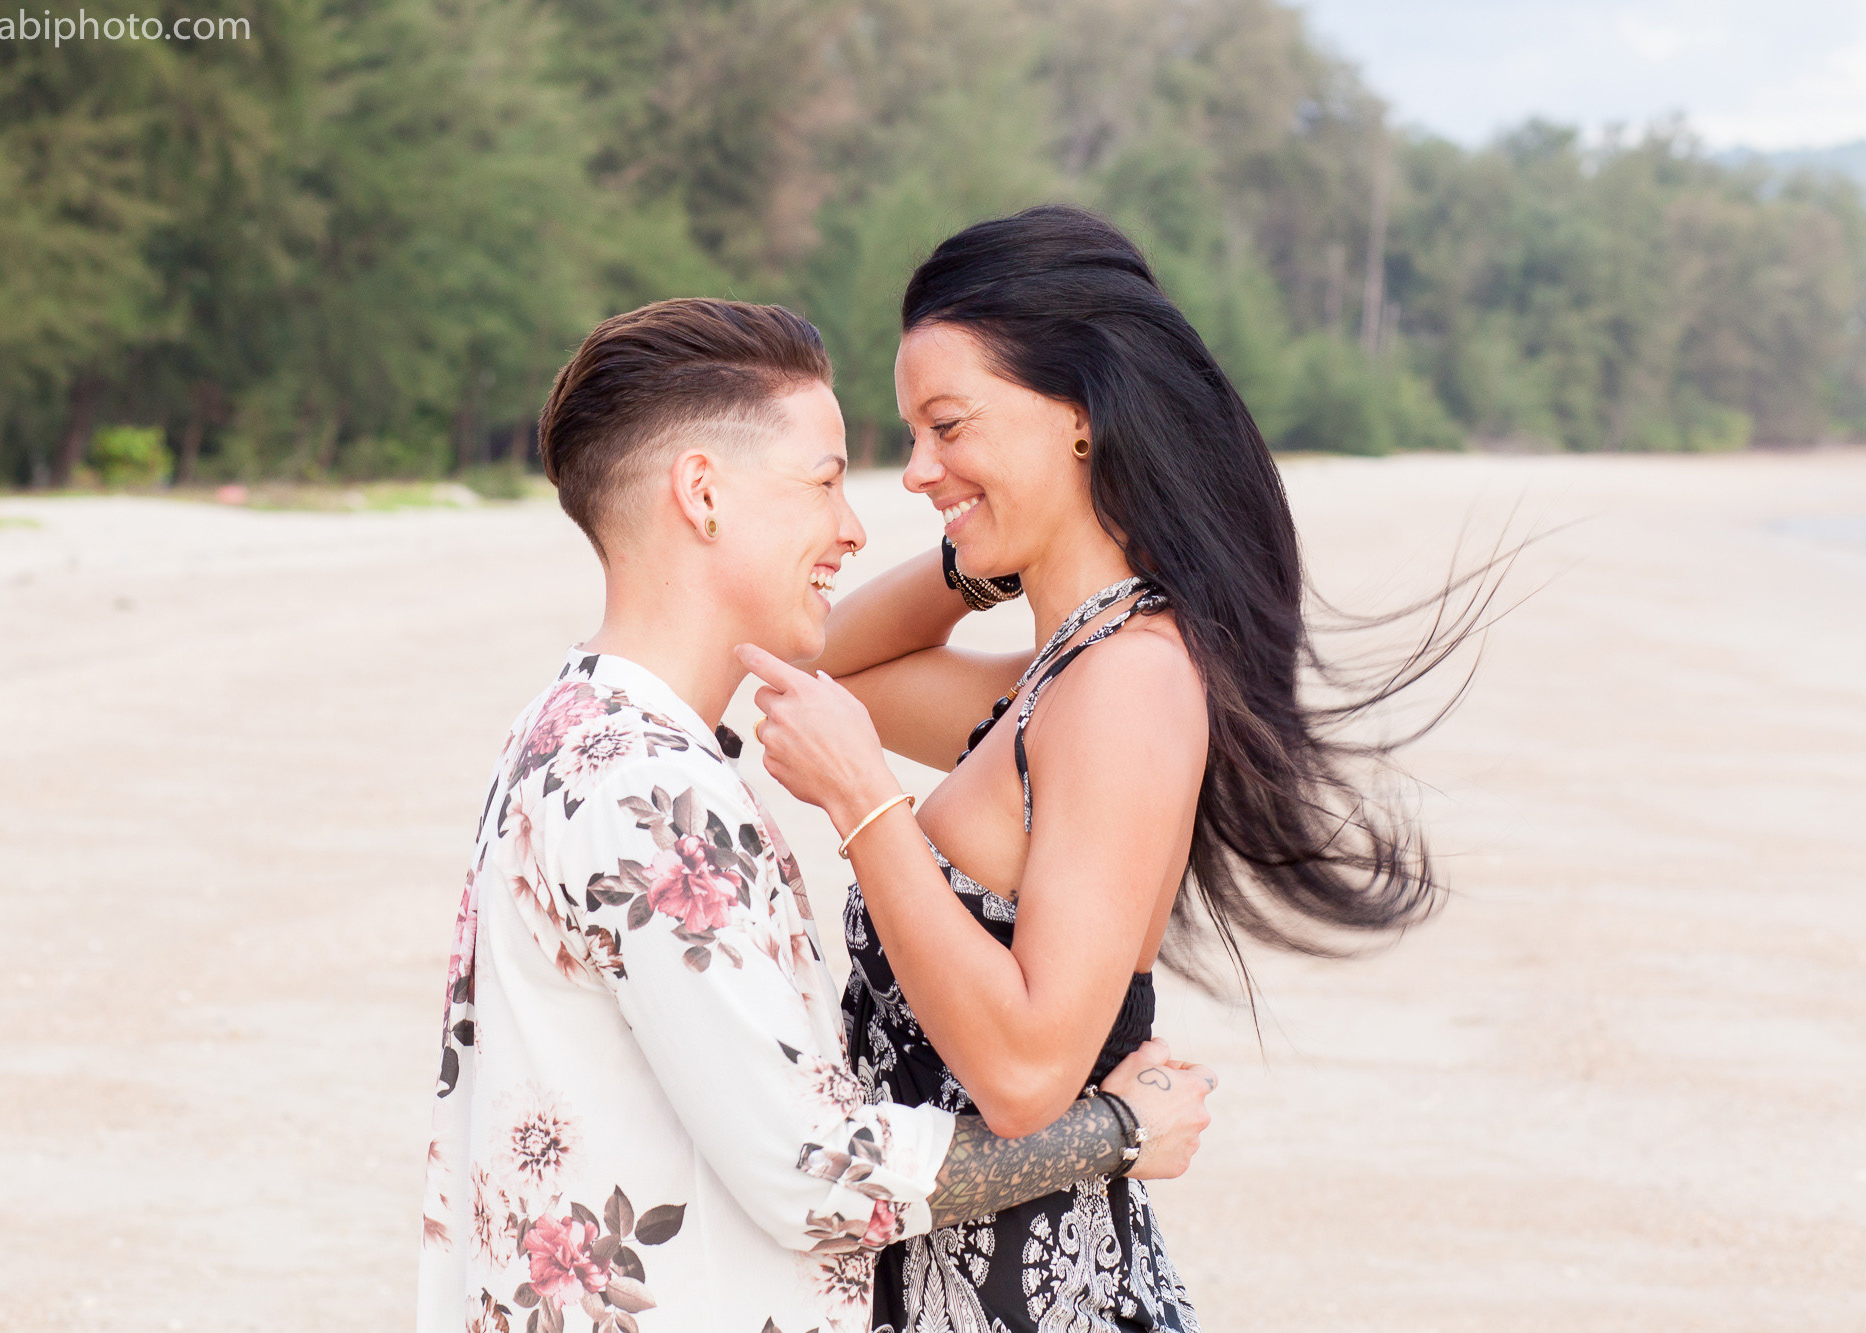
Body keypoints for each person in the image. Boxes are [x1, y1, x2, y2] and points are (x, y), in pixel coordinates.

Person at [417, 297, 1218, 1333]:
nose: (855, 523)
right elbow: (814, 1172)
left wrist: (992, 537)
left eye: (946, 430)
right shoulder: (644, 789)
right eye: (827, 479)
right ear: (701, 494)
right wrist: (1114, 1130)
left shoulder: (567, 726)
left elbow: (824, 653)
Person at [740, 206, 1450, 1331]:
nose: (918, 470)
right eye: (913, 434)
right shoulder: (1053, 680)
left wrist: (862, 805)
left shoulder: (1125, 685)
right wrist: (981, 553)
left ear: (1077, 416)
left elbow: (1026, 1073)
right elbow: (814, 654)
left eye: (948, 425)